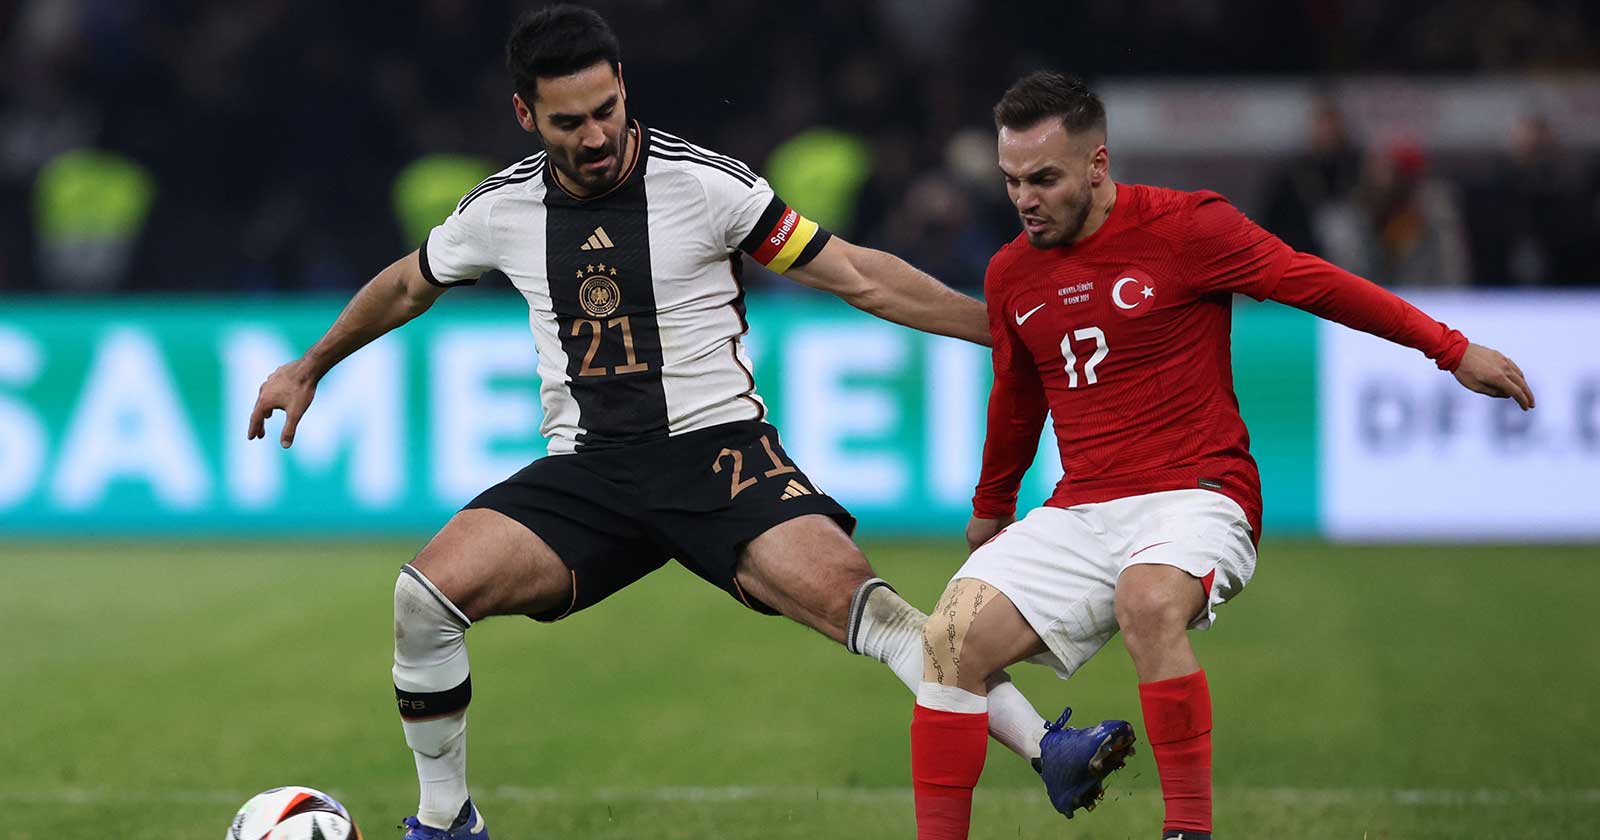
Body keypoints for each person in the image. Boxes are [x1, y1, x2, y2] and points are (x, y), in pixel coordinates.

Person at [246, 7, 1063, 839]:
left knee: (873, 613)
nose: (596, 135)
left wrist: (997, 329)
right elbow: (407, 284)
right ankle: (446, 820)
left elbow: (856, 275)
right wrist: (309, 365)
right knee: (423, 598)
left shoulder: (706, 185)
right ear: (526, 115)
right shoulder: (500, 208)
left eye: (607, 109)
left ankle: (1050, 750)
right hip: (590, 473)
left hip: (718, 458)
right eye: (570, 121)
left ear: (623, 89)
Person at [907, 71, 1535, 840]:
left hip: (1198, 492)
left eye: (1044, 178)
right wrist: (990, 508)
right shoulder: (1012, 272)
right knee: (946, 643)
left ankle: (1189, 832)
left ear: (1098, 165)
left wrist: (1451, 348)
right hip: (1080, 505)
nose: (1024, 199)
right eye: (1011, 181)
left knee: (1146, 599)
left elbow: (1317, 284)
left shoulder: (1188, 228)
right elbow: (1017, 397)